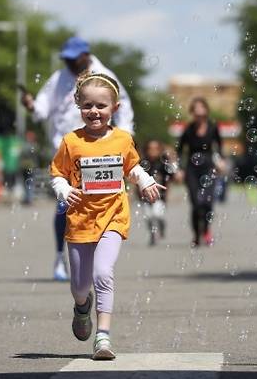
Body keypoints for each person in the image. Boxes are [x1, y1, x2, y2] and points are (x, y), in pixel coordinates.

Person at [49, 72, 163, 360]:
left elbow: (133, 168)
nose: (94, 112)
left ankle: (103, 336)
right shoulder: (71, 141)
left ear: (115, 108)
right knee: (79, 287)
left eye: (101, 106)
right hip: (79, 221)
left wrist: (146, 181)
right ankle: (81, 306)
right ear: (78, 106)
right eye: (87, 105)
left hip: (113, 217)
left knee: (103, 273)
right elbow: (57, 174)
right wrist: (63, 190)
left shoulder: (123, 139)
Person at [22, 36, 134, 281]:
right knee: (65, 205)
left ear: (86, 56)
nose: (70, 64)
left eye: (74, 59)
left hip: (102, 152)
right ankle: (62, 256)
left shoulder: (104, 75)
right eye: (67, 59)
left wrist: (125, 139)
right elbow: (42, 108)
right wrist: (31, 106)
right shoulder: (59, 78)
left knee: (103, 204)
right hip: (69, 151)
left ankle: (98, 255)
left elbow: (123, 106)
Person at [177, 97, 223, 247]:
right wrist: (179, 170)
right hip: (192, 168)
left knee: (208, 203)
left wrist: (221, 161)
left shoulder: (213, 127)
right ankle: (196, 235)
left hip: (209, 167)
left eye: (201, 107)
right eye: (195, 108)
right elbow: (180, 151)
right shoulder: (188, 129)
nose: (198, 110)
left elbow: (219, 147)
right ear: (192, 111)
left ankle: (207, 231)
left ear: (206, 110)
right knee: (196, 203)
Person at [141, 140, 178, 246]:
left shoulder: (162, 164)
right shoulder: (143, 163)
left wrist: (167, 193)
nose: (153, 151)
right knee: (148, 216)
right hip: (145, 196)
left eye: (155, 149)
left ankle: (161, 226)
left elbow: (170, 179)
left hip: (160, 196)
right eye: (150, 149)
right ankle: (152, 234)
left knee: (157, 215)